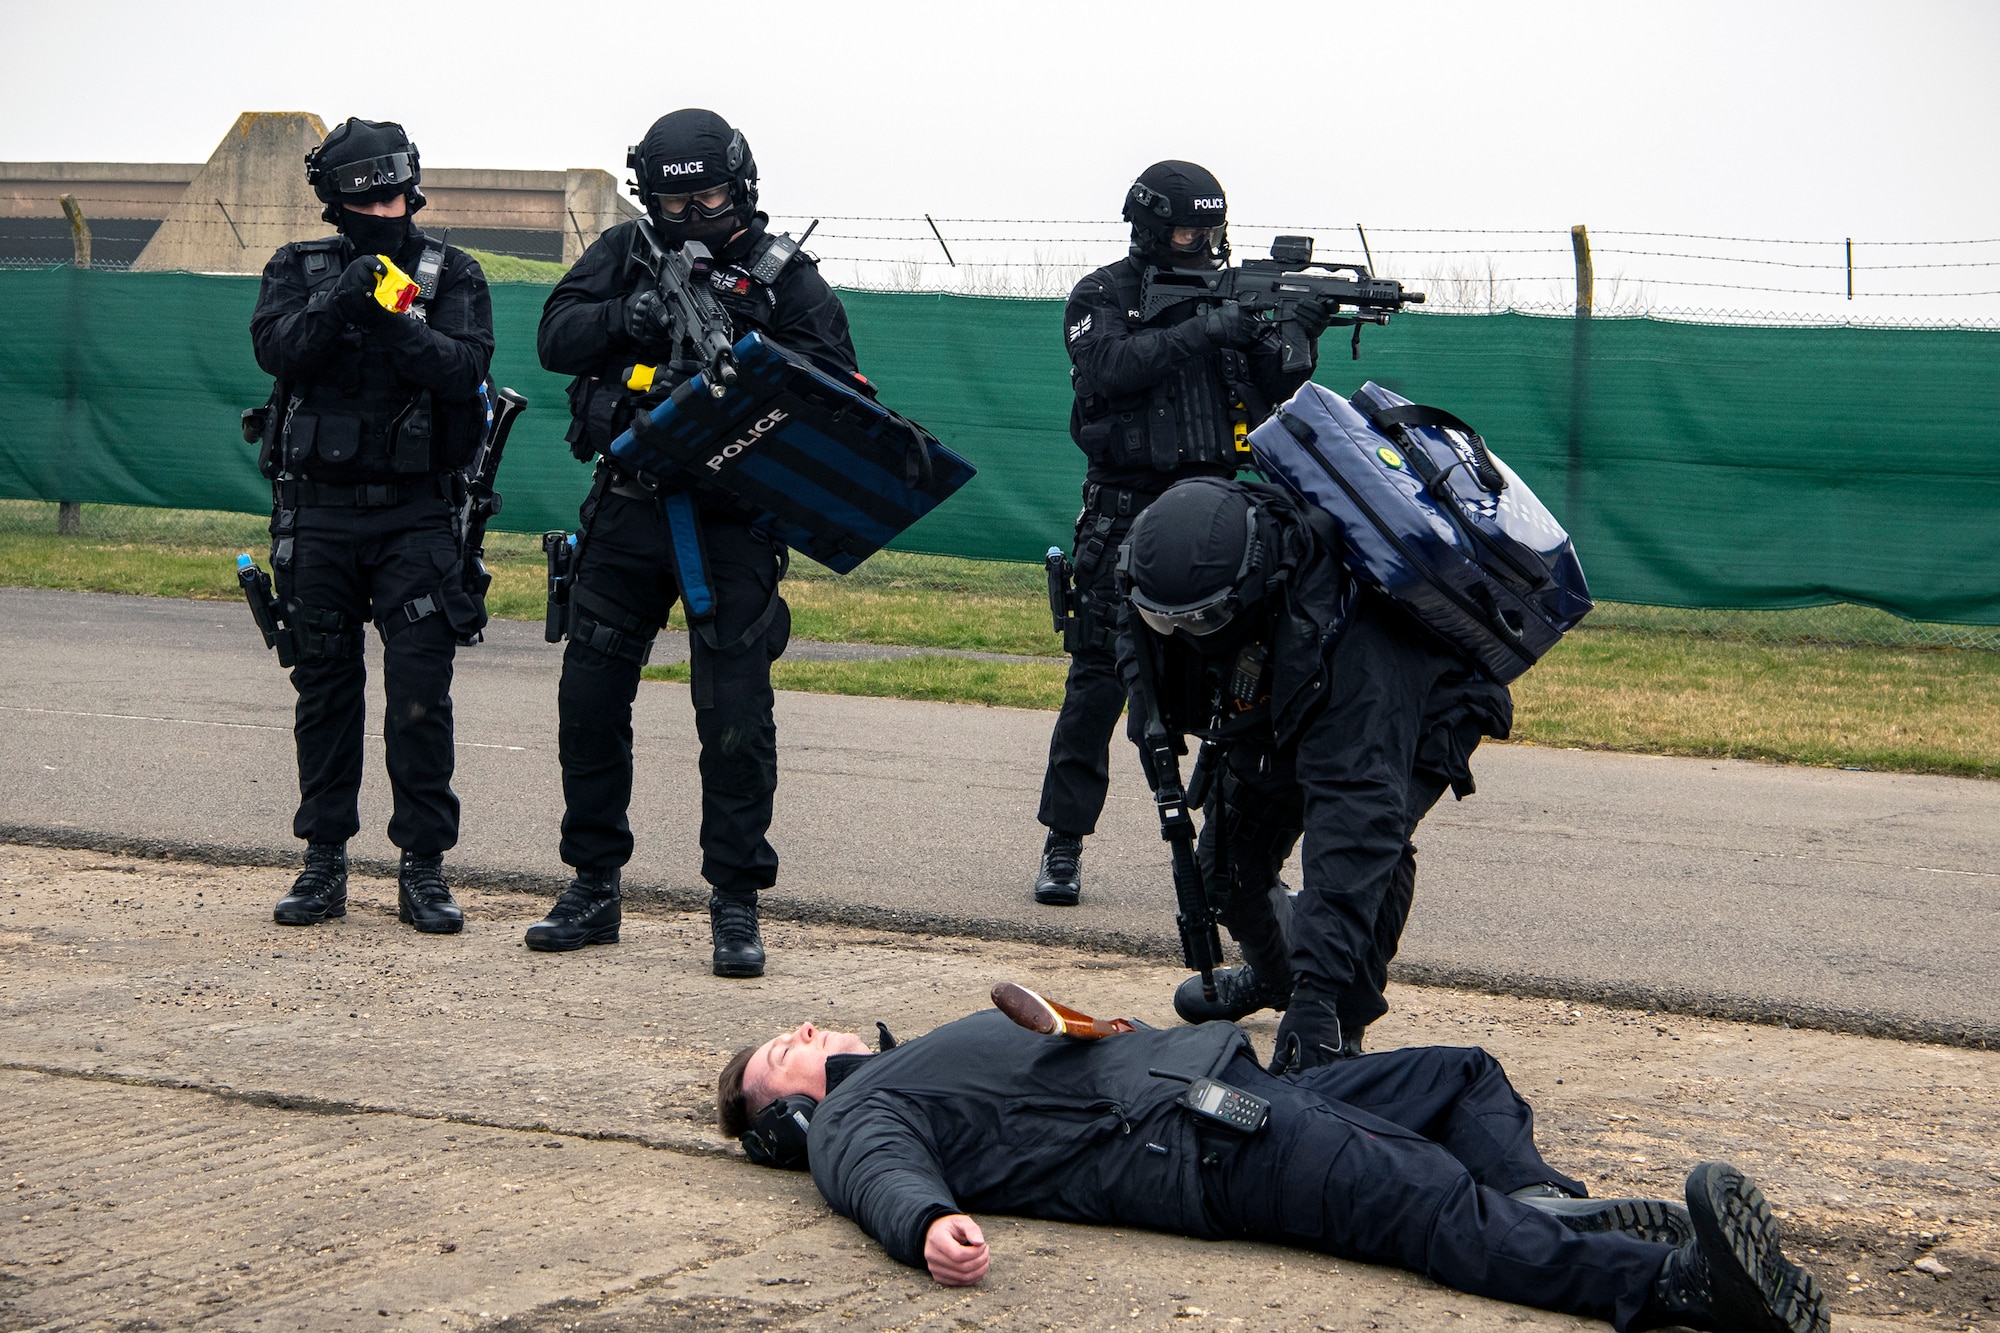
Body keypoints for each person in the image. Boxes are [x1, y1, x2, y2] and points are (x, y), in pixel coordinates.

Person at [716, 1005, 1828, 1333]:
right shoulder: (861, 1108)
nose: (805, 1028)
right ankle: (1673, 1288)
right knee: (1419, 1201)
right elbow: (871, 1169)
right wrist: (922, 1227)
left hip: (1224, 1081)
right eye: (783, 1047)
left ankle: (1544, 1210)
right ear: (785, 1117)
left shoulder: (904, 1064)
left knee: (1457, 1074)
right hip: (1202, 1137)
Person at [529, 109, 859, 974]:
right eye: (672, 202)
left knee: (736, 720)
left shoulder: (790, 280)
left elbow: (844, 394)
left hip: (732, 523)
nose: (691, 215)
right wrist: (632, 317)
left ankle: (736, 903)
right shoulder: (624, 255)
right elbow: (555, 337)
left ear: (742, 185)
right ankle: (593, 886)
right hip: (629, 509)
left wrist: (750, 370)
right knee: (590, 704)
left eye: (708, 196)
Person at [1117, 477, 1514, 1069]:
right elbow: (1132, 631)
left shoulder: (1348, 644)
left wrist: (1317, 999)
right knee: (1227, 868)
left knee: (1368, 855)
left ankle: (1340, 1017)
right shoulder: (1169, 570)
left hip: (1423, 704)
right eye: (1165, 621)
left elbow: (1355, 826)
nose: (1178, 635)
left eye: (1194, 623)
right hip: (1282, 681)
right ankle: (1276, 979)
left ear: (1250, 594)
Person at [1031, 160, 1336, 907]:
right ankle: (1064, 842)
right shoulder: (1103, 294)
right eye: (1185, 228)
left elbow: (1279, 391)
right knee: (1099, 679)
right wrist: (1207, 328)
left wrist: (1297, 333)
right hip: (1126, 508)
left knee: (1242, 686)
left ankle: (1233, 856)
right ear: (1148, 226)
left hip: (1218, 515)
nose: (1200, 241)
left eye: (1209, 228)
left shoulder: (1230, 300)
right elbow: (1107, 366)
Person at [249, 117, 494, 934]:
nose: (387, 210)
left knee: (420, 694)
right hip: (317, 516)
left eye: (396, 194)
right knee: (324, 690)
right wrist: (340, 297)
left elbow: (464, 369)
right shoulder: (297, 267)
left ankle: (423, 867)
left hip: (416, 518)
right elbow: (278, 350)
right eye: (370, 198)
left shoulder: (448, 272)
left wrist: (391, 315)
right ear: (337, 200)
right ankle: (323, 862)